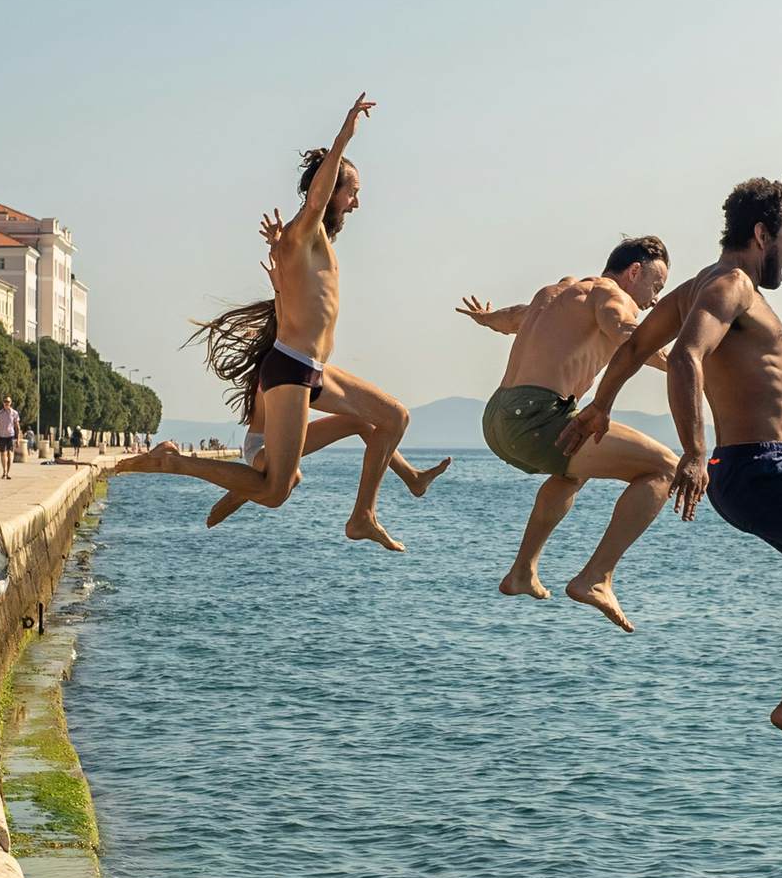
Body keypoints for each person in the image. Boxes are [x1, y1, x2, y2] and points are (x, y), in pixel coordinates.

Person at [561, 177, 782, 757]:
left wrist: (601, 405)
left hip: (759, 469)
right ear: (761, 233)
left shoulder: (697, 286)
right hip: (761, 467)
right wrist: (694, 450)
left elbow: (630, 350)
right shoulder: (730, 285)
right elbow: (684, 357)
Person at [122, 94, 428, 550]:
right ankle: (174, 462)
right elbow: (320, 193)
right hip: (291, 368)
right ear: (328, 191)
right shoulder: (306, 227)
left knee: (391, 417)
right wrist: (344, 134)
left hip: (312, 369)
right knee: (275, 490)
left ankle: (364, 514)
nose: (357, 203)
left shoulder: (310, 239)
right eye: (353, 192)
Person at [458, 236, 677, 631]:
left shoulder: (557, 293)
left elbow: (512, 318)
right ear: (634, 272)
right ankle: (596, 577)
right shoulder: (612, 296)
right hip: (536, 417)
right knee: (665, 467)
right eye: (655, 287)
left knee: (573, 471)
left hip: (496, 419)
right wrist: (691, 365)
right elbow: (632, 337)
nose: (655, 300)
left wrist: (485, 319)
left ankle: (522, 571)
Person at [0, 397, 20, 479]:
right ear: (3, 403)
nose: (6, 403)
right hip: (1, 435)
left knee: (10, 454)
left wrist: (18, 439)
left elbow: (17, 426)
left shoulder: (14, 413)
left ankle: (8, 472)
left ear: (10, 402)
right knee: (3, 454)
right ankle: (4, 471)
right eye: (5, 401)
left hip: (10, 435)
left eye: (8, 401)